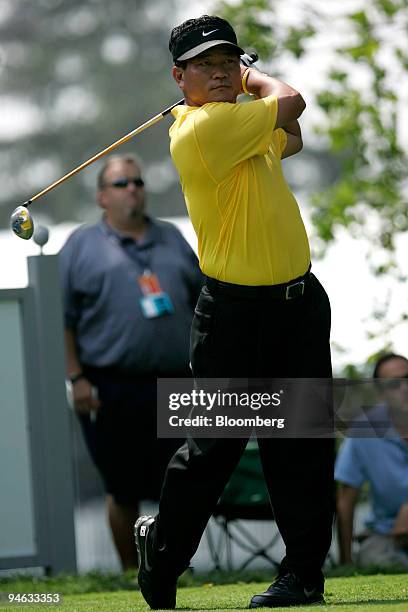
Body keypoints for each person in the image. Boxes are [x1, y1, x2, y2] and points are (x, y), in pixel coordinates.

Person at [135, 15, 335, 608]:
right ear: (180, 77)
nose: (222, 72)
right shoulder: (202, 129)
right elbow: (293, 100)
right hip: (234, 316)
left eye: (229, 61)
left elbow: (289, 136)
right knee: (213, 447)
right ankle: (164, 558)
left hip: (297, 305)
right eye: (206, 65)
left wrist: (245, 92)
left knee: (301, 441)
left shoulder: (236, 123)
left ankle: (302, 574)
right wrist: (252, 78)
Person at [59, 153, 202, 570]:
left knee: (177, 485)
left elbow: (203, 302)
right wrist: (77, 377)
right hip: (109, 385)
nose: (134, 189)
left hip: (176, 382)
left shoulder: (172, 238)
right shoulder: (80, 246)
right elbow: (62, 320)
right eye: (122, 184)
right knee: (121, 488)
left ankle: (170, 568)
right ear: (103, 197)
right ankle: (130, 573)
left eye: (138, 182)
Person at [336, 353, 408, 569]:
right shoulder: (362, 432)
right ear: (380, 394)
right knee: (376, 560)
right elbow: (346, 500)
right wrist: (345, 562)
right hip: (387, 535)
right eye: (394, 384)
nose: (405, 388)